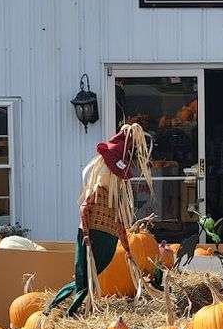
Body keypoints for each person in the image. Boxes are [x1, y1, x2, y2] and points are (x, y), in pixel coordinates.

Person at [47, 123, 153, 315]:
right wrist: (86, 234)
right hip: (93, 236)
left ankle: (66, 310)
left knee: (90, 276)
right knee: (83, 278)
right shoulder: (98, 191)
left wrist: (127, 249)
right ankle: (62, 309)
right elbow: (85, 208)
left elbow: (120, 223)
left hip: (108, 239)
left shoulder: (116, 199)